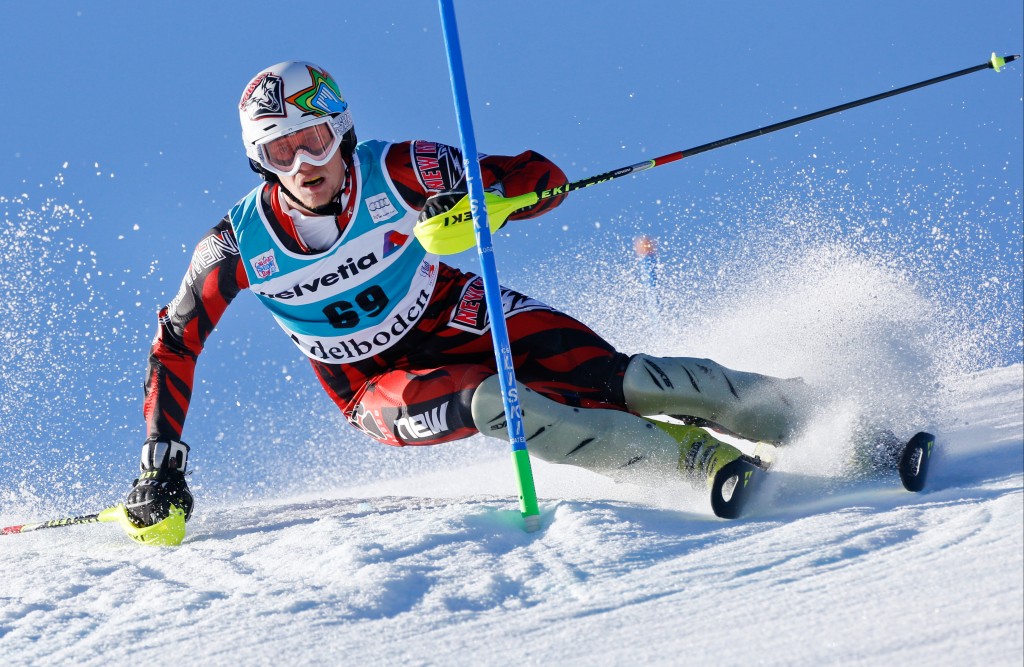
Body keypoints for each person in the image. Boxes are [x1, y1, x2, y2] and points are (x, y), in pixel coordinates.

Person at [124, 61, 816, 532]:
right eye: (281, 153)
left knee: (625, 379)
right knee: (500, 406)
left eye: (313, 140)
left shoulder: (399, 169)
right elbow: (177, 343)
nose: (305, 165)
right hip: (376, 385)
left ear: (341, 129)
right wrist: (161, 461)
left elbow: (542, 176)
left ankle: (813, 417)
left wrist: (485, 201)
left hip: (456, 313)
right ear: (259, 162)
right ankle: (695, 462)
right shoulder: (235, 246)